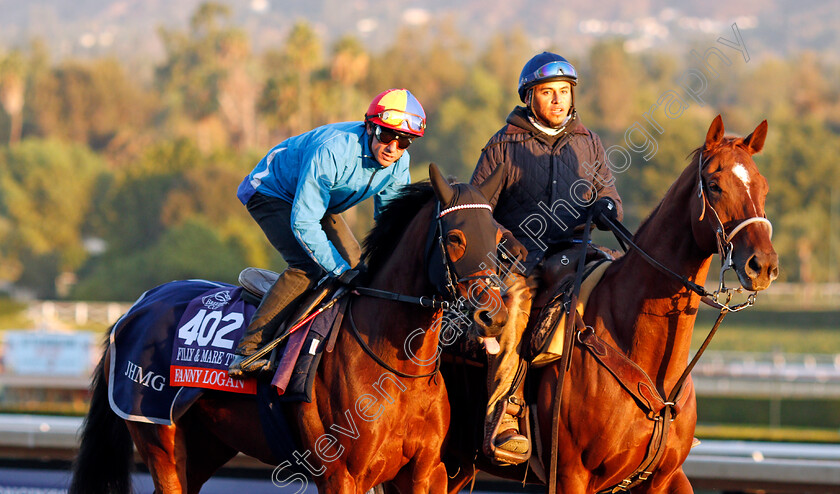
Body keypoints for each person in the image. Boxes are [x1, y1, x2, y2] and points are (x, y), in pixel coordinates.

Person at [470, 52, 623, 465]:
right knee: (516, 305)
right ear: (529, 97)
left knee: (620, 289)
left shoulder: (587, 141)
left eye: (564, 92)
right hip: (521, 259)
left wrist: (607, 208)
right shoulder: (502, 144)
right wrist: (503, 239)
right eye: (548, 93)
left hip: (578, 252)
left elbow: (608, 193)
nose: (558, 100)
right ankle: (504, 418)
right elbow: (474, 212)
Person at [229, 88, 427, 378]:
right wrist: (336, 268)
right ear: (370, 127)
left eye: (405, 141)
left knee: (361, 269)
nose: (393, 148)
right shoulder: (334, 150)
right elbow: (304, 222)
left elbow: (390, 223)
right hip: (271, 192)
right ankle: (249, 349)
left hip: (320, 200)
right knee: (309, 266)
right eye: (387, 136)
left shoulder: (399, 164)